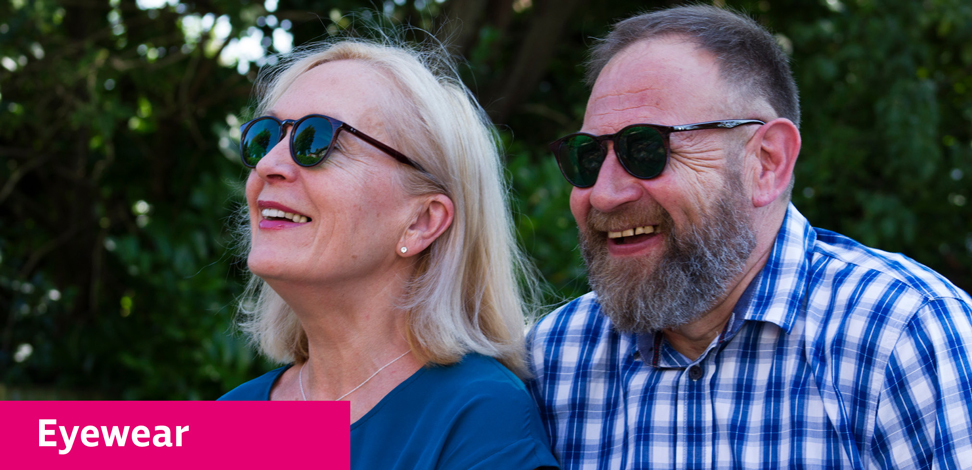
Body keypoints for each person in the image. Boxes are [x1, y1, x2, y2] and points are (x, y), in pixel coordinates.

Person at [528, 5, 972, 469]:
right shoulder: (553, 360)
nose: (603, 195)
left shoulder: (905, 337)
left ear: (767, 163)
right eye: (588, 157)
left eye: (646, 149)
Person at [219, 37, 559, 470]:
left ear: (422, 221)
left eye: (318, 140)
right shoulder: (232, 415)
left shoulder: (478, 417)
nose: (268, 164)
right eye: (264, 137)